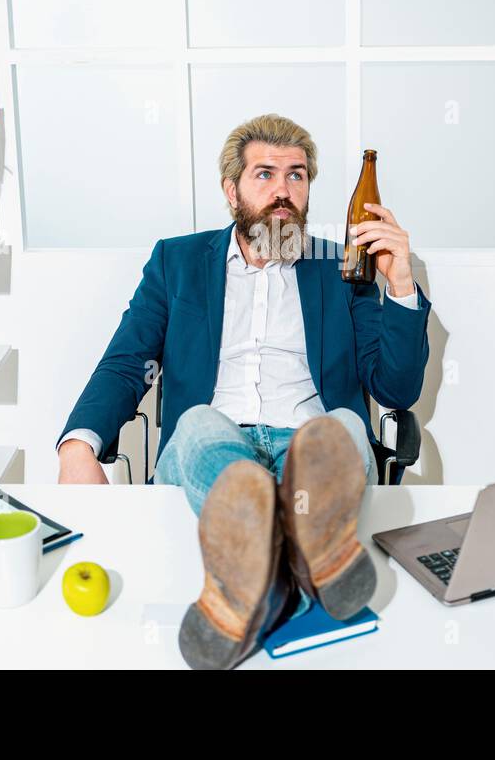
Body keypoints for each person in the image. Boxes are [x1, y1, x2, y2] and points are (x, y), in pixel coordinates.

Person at [57, 113, 431, 669]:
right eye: (265, 174)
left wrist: (399, 281)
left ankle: (254, 578)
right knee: (200, 424)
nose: (284, 190)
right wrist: (78, 445)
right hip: (209, 454)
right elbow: (126, 362)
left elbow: (395, 387)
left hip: (312, 457)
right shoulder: (177, 262)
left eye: (297, 176)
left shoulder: (340, 268)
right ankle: (299, 564)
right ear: (231, 189)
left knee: (346, 428)